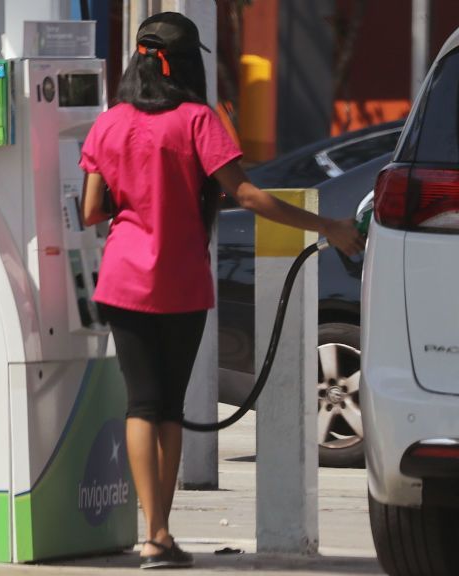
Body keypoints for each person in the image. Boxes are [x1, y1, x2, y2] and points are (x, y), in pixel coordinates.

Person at [78, 12, 364, 570]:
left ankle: (151, 534)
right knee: (169, 408)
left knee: (140, 402)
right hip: (180, 282)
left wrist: (133, 200)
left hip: (122, 278)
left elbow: (91, 211)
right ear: (186, 64)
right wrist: (327, 226)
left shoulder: (109, 123)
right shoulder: (196, 120)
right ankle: (163, 535)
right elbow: (250, 197)